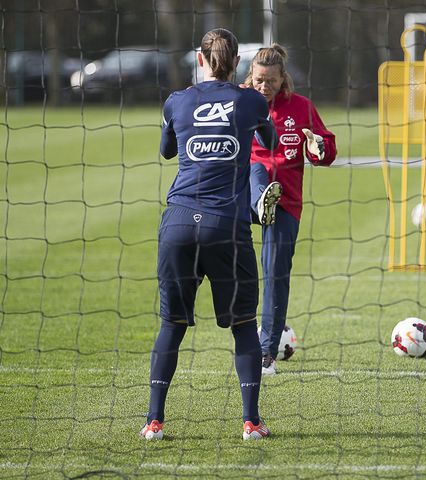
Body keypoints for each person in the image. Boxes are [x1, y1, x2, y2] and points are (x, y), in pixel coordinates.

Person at [140, 28, 279, 441]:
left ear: (199, 60)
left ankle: (154, 422)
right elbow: (268, 141)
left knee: (172, 324)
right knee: (242, 326)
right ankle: (251, 422)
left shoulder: (176, 101)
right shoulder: (252, 101)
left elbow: (166, 150)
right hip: (227, 228)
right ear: (237, 63)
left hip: (178, 225)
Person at [244, 44, 337, 375]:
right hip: (240, 195)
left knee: (275, 273)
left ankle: (266, 353)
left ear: (284, 79)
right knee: (255, 168)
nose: (264, 87)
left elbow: (326, 151)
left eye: (270, 81)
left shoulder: (301, 108)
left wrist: (318, 147)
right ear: (250, 77)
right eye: (258, 80)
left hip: (286, 201)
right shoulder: (239, 100)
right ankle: (258, 200)